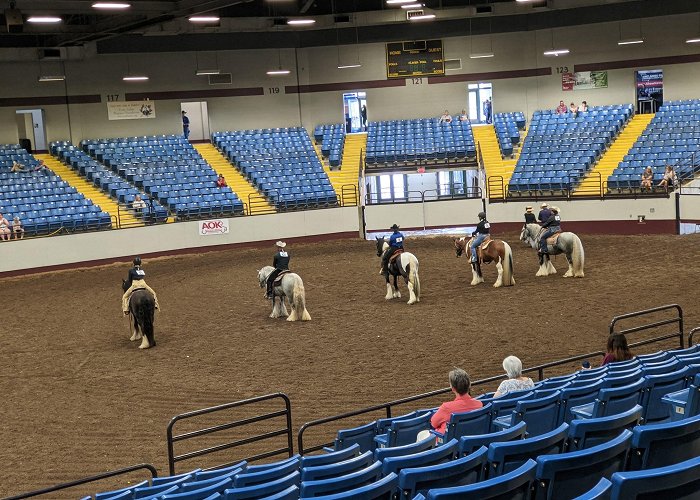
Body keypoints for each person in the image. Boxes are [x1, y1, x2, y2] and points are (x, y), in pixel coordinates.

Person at [418, 368, 483, 439]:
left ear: (453, 389)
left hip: (448, 442)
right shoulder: (479, 404)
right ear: (469, 385)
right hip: (469, 438)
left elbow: (433, 423)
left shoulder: (446, 408)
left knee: (421, 434)